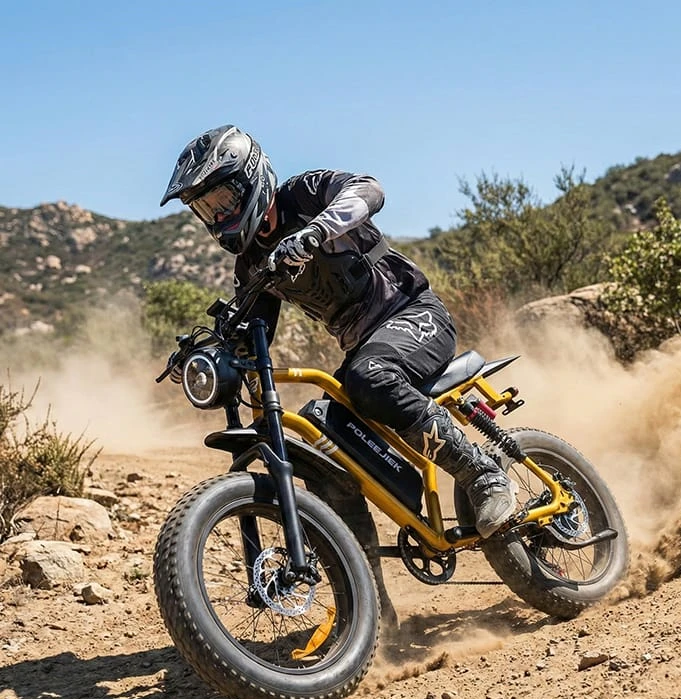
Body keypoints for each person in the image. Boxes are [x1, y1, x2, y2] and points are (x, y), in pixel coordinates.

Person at [160, 124, 516, 538]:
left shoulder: (305, 194)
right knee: (319, 439)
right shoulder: (253, 264)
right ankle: (367, 592)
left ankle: (482, 474)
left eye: (223, 200)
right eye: (207, 209)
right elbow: (252, 334)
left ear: (249, 178)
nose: (219, 216)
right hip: (365, 350)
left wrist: (316, 231)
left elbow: (370, 190)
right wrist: (212, 353)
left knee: (371, 376)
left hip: (416, 315)